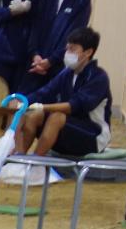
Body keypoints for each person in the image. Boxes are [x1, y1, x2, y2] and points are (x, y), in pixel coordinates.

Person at [14, 27, 110, 159]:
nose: (68, 53)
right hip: (69, 129)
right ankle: (18, 159)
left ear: (88, 52)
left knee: (56, 116)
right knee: (33, 115)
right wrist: (21, 102)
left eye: (73, 49)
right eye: (67, 48)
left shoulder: (98, 77)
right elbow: (44, 92)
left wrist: (42, 106)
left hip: (93, 135)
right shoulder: (67, 73)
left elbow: (75, 106)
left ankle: (35, 163)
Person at [26, 0, 91, 86]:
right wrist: (35, 54)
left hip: (59, 64)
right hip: (36, 62)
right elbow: (35, 26)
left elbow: (75, 35)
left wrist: (51, 60)